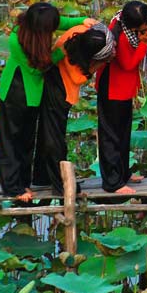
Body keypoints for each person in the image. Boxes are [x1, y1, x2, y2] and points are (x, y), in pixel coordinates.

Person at [0, 2, 94, 202]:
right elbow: (36, 68)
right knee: (11, 141)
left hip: (33, 94)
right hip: (16, 92)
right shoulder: (16, 40)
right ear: (41, 29)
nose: (54, 30)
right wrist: (62, 51)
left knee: (26, 141)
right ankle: (12, 188)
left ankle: (24, 182)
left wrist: (82, 20)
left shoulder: (36, 27)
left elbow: (62, 22)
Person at [37, 23, 115, 196]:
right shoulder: (74, 62)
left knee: (48, 134)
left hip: (54, 81)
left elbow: (90, 22)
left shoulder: (78, 32)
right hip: (58, 89)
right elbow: (79, 78)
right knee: (55, 138)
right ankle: (61, 185)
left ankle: (41, 177)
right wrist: (100, 63)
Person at [96, 1, 147, 195]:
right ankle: (112, 182)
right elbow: (129, 64)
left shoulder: (135, 24)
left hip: (125, 87)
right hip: (112, 86)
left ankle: (123, 173)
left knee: (123, 132)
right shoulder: (119, 35)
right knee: (111, 135)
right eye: (145, 27)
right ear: (133, 27)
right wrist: (144, 43)